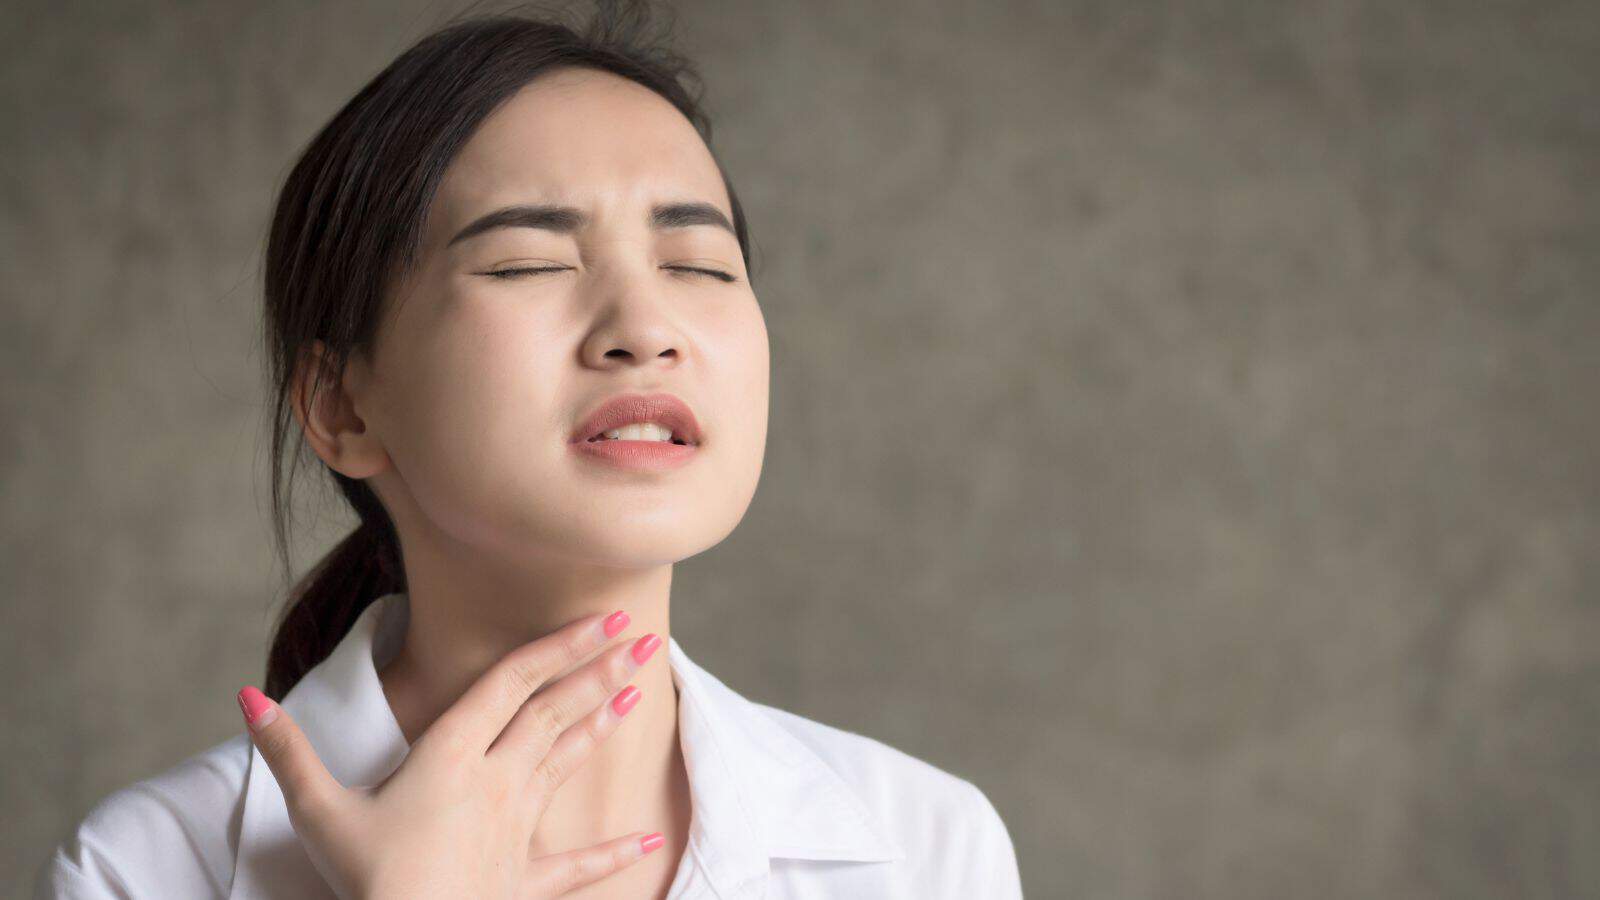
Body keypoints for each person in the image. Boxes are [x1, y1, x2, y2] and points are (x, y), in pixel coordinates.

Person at [34, 2, 1024, 897]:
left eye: (698, 264)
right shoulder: (150, 868)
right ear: (342, 406)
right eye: (528, 262)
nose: (644, 326)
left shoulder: (927, 849)